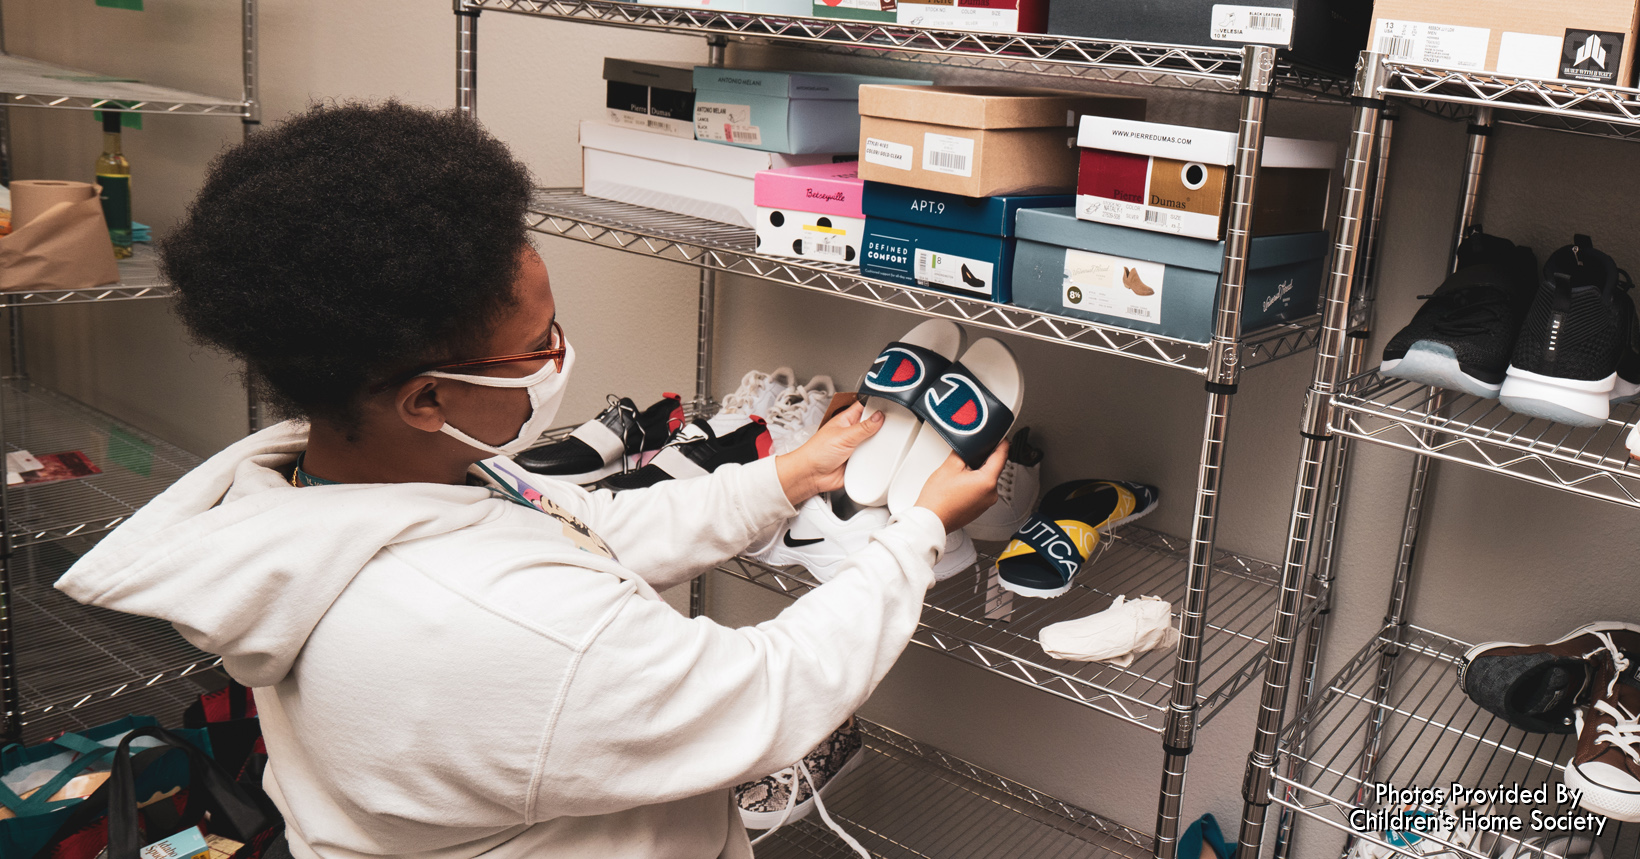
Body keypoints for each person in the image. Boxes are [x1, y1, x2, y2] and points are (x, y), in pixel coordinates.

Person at [56, 101, 1007, 858]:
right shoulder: (492, 626)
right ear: (428, 398)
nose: (561, 356)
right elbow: (764, 691)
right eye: (535, 345)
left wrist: (789, 475)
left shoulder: (336, 487)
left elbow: (586, 522)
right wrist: (916, 532)